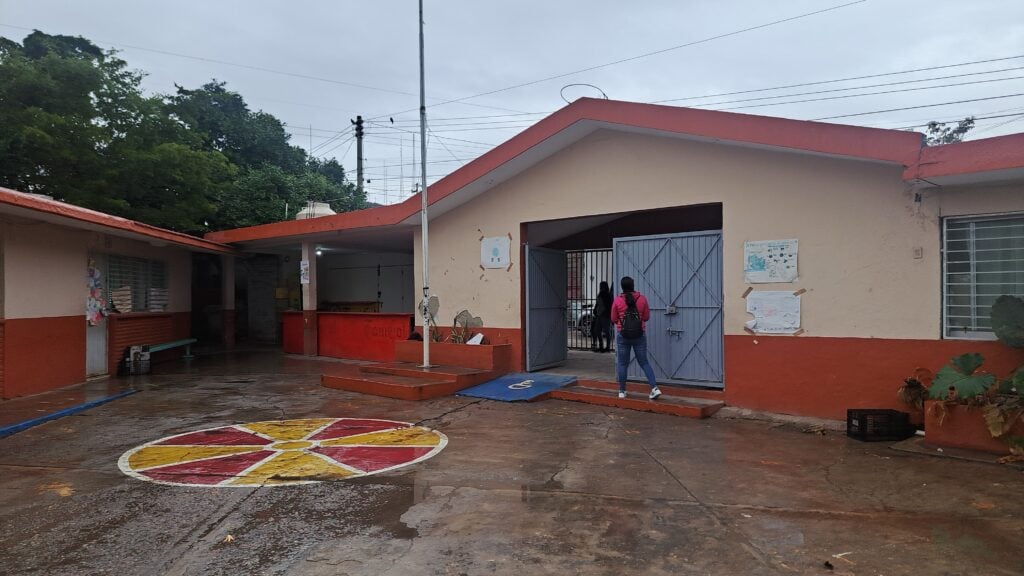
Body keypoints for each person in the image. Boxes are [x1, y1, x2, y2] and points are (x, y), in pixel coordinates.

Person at [610, 276, 661, 400]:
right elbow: (646, 317)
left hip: (623, 335)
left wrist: (622, 323)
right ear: (633, 285)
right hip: (639, 335)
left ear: (622, 287)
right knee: (644, 362)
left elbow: (613, 319)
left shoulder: (617, 301)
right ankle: (654, 388)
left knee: (622, 364)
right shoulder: (642, 299)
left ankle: (622, 391)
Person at [590, 281, 613, 352]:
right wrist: (595, 310)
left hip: (605, 316)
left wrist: (605, 313)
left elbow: (609, 306)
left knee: (607, 332)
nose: (600, 287)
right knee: (597, 331)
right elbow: (597, 304)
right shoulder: (600, 294)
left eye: (601, 286)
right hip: (599, 315)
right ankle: (601, 346)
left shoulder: (607, 295)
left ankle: (607, 348)